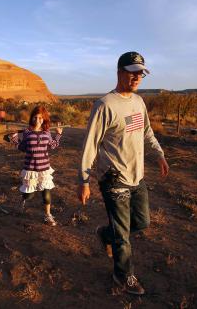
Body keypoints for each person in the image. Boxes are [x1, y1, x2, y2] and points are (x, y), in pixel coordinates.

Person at [77, 51, 169, 295]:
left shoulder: (139, 102)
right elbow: (90, 145)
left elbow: (147, 131)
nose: (137, 77)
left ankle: (105, 234)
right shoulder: (105, 105)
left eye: (140, 73)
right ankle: (123, 275)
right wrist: (83, 181)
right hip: (114, 179)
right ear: (119, 72)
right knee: (123, 238)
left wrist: (159, 153)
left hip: (137, 177)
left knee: (142, 222)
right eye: (132, 72)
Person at [10, 106, 63, 226]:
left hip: (44, 168)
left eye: (40, 118)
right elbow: (22, 147)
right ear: (32, 118)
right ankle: (23, 199)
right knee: (29, 195)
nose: (37, 120)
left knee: (46, 192)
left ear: (44, 119)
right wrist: (14, 138)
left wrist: (58, 135)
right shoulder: (27, 133)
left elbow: (52, 145)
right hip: (30, 169)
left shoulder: (47, 132)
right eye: (35, 117)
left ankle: (48, 215)